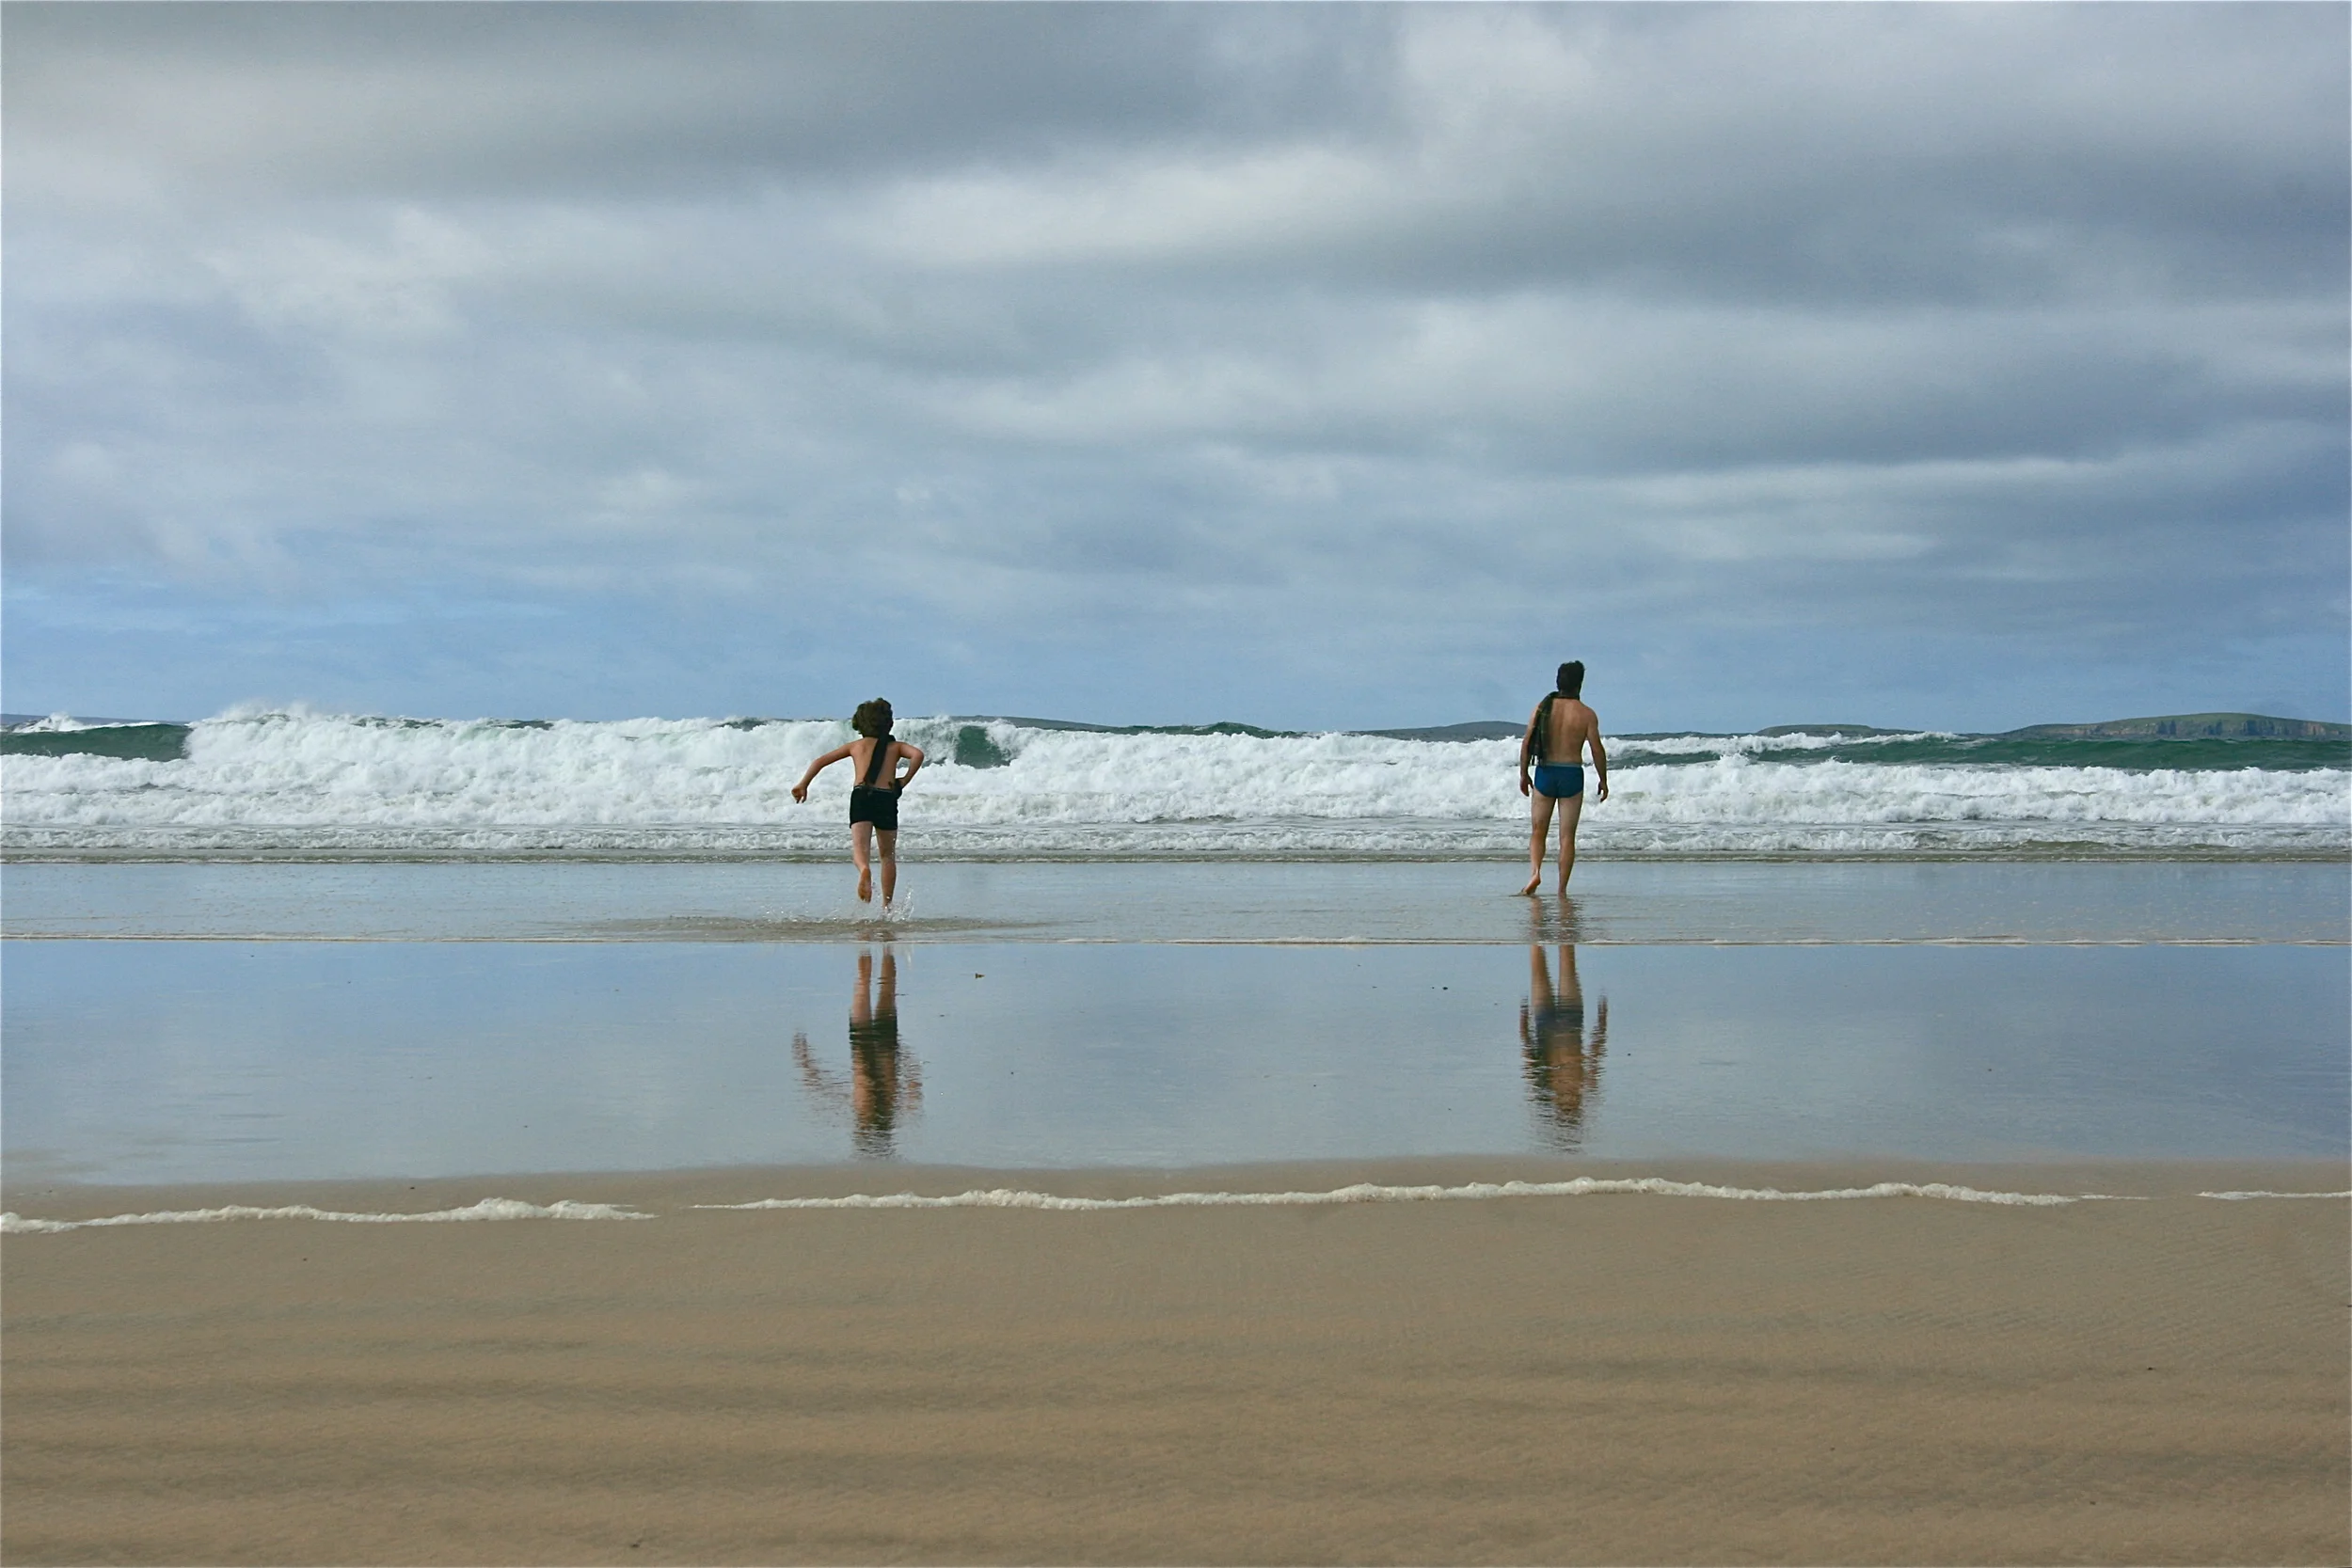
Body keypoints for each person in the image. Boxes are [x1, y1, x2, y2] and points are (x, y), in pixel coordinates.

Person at [792, 698, 925, 905]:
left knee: (859, 850)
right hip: (886, 798)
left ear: (860, 724)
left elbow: (820, 761)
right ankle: (887, 907)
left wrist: (803, 784)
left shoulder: (856, 746)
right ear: (888, 723)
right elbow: (918, 755)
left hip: (861, 796)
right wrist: (905, 780)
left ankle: (864, 869)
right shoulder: (896, 747)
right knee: (887, 856)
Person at [1518, 660, 1608, 895]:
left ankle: (1535, 872)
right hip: (1571, 774)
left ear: (1558, 682)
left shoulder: (1541, 708)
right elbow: (1597, 749)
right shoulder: (1586, 714)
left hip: (1545, 772)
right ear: (1580, 684)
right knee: (1567, 837)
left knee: (1538, 831)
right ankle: (1561, 890)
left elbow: (1527, 742)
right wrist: (1603, 779)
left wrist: (1523, 774)